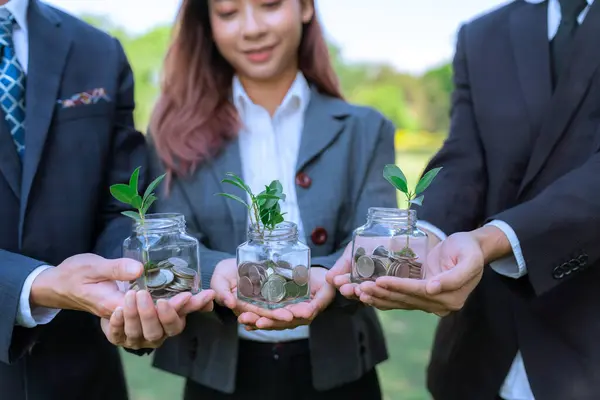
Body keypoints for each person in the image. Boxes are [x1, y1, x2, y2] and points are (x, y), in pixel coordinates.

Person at [330, 0, 600, 399]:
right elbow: (464, 155)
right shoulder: (481, 35)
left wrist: (492, 240)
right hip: (478, 359)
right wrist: (425, 235)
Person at [134, 0, 398, 398]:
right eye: (228, 13)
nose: (252, 28)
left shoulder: (365, 128)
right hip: (219, 373)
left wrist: (324, 276)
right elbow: (170, 244)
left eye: (270, 5)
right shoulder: (174, 133)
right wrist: (221, 268)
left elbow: (375, 241)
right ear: (207, 23)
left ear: (305, 8)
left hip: (342, 371)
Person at [0, 1, 214, 399]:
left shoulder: (97, 50)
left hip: (86, 377)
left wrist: (135, 288)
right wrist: (35, 284)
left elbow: (119, 209)